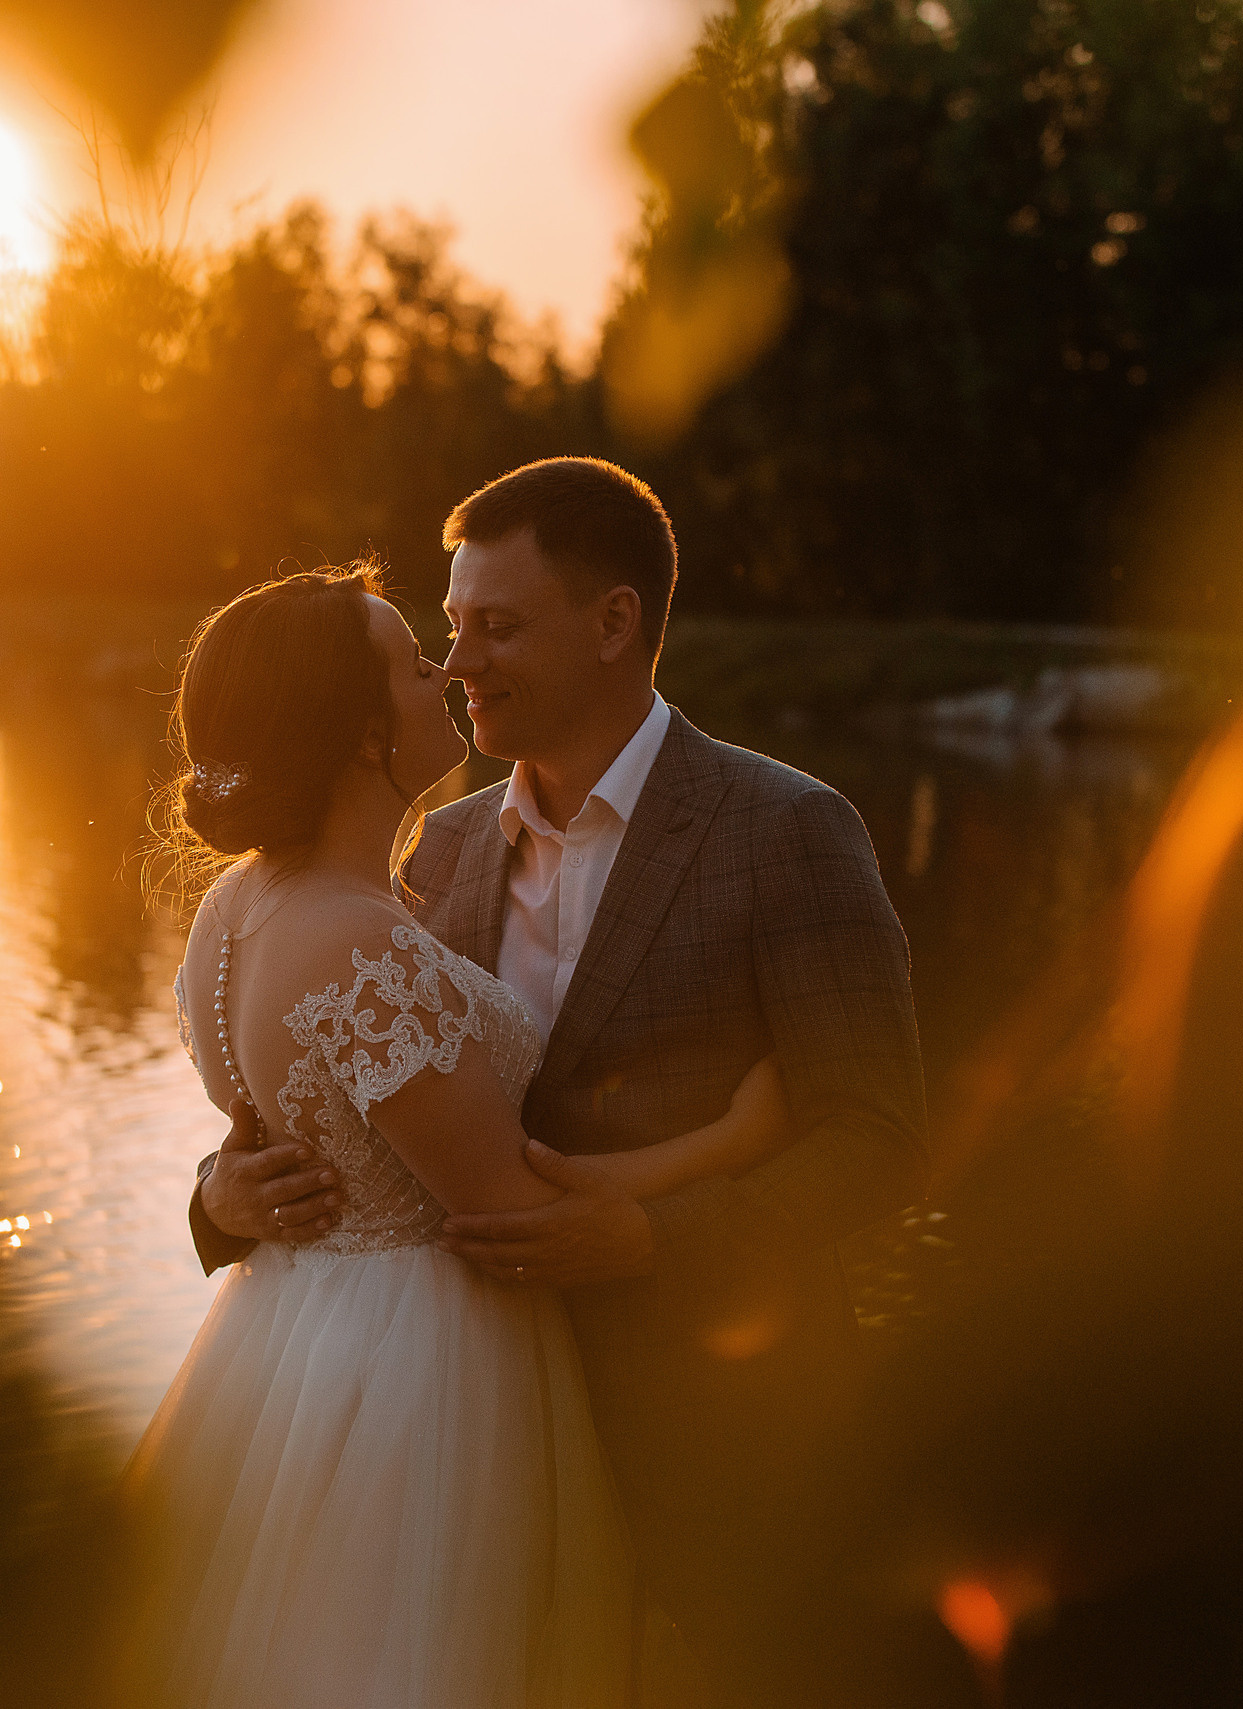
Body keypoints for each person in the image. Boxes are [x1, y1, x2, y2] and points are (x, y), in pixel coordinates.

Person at [190, 458, 933, 1704]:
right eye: (449, 628)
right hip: (454, 1457)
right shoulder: (435, 845)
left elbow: (878, 1137)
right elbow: (337, 1094)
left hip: (720, 1435)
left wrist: (648, 1232)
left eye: (498, 624)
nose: (461, 658)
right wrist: (224, 1193)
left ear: (614, 622)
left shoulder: (786, 827)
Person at [128, 561, 796, 1708]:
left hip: (294, 1340)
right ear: (352, 731)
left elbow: (281, 1121)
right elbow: (509, 1205)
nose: (442, 668)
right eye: (409, 659)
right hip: (421, 1365)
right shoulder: (356, 944)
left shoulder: (237, 907)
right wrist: (730, 1139)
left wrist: (222, 1192)